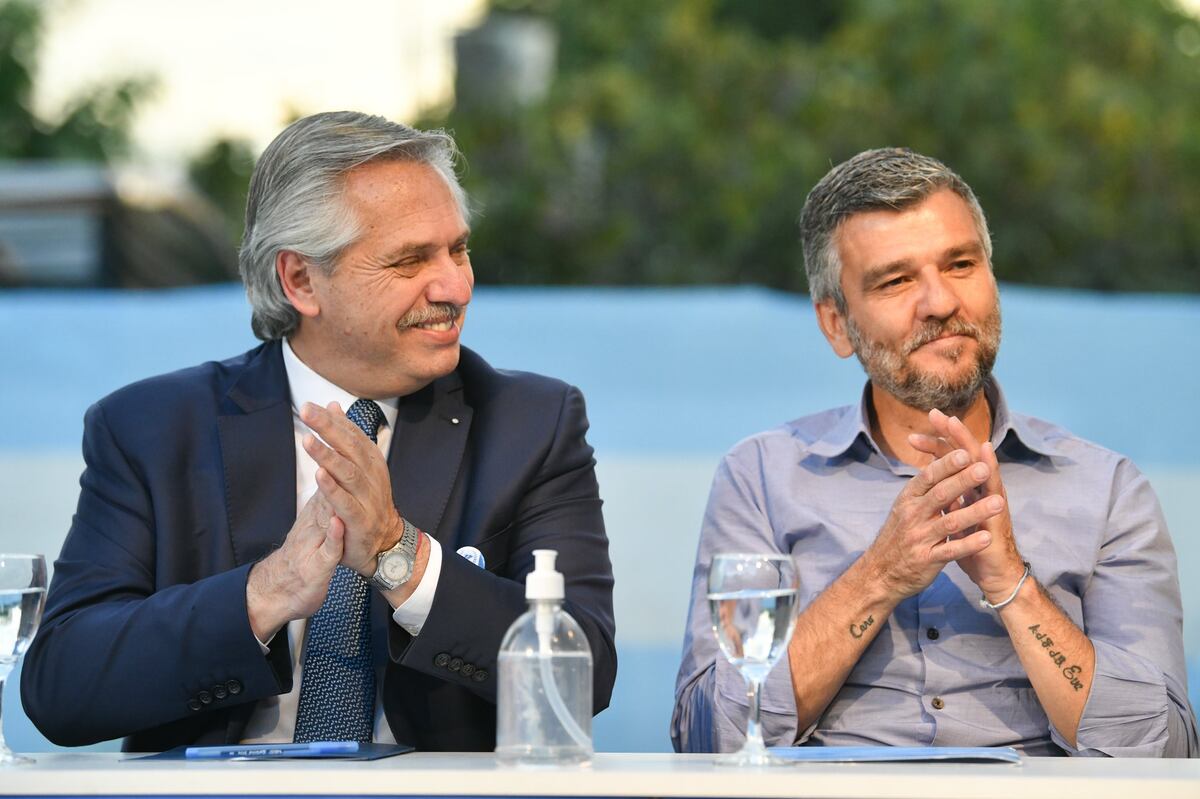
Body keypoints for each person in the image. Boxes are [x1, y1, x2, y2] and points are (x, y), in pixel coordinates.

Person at [21, 111, 616, 752]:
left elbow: (584, 672)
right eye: (410, 260)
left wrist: (401, 558)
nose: (455, 285)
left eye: (459, 248)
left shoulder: (531, 423)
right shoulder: (150, 429)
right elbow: (62, 687)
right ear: (301, 280)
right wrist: (265, 592)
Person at [671, 148, 1197, 757]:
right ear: (836, 325)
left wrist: (1010, 582)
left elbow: (1163, 752)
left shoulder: (1106, 489)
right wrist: (881, 575)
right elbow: (710, 738)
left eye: (960, 265)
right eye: (895, 280)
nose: (941, 303)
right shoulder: (761, 476)